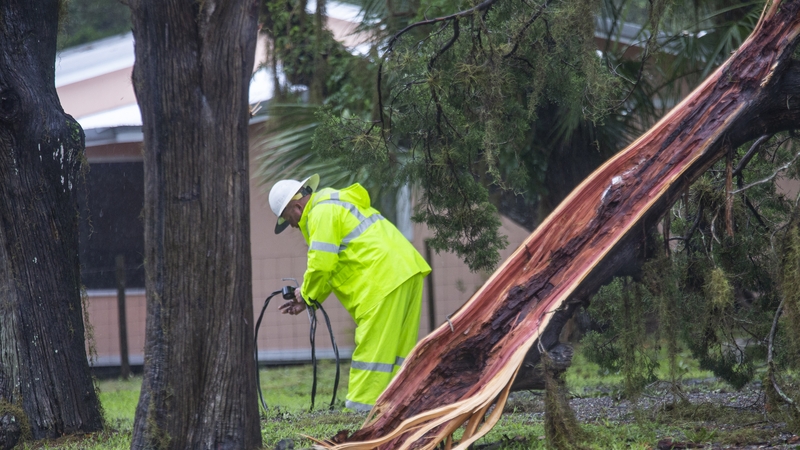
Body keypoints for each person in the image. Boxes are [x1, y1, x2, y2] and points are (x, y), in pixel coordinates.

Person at [268, 174, 431, 412]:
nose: (291, 225)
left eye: (287, 218)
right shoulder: (335, 202)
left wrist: (307, 295)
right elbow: (330, 268)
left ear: (297, 207)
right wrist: (308, 299)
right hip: (405, 271)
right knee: (397, 351)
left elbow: (321, 265)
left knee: (372, 352)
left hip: (381, 280)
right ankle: (398, 407)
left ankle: (358, 414)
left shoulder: (320, 213)